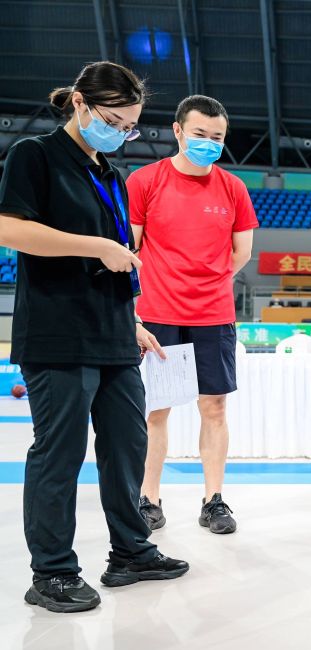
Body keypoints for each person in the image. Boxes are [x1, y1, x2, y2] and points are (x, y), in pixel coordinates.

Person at [0, 61, 188, 613]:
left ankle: (131, 551)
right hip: (57, 333)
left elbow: (119, 257)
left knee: (127, 445)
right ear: (80, 103)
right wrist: (95, 247)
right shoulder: (35, 155)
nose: (120, 133)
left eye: (129, 127)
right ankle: (53, 572)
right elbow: (10, 228)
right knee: (60, 452)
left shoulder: (109, 173)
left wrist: (132, 322)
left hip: (113, 333)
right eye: (112, 121)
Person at [128, 94, 257, 535]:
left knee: (214, 408)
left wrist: (206, 281)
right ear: (178, 131)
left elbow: (242, 252)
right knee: (157, 409)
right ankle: (148, 498)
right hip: (158, 312)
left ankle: (213, 500)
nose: (209, 143)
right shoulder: (145, 181)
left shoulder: (233, 188)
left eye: (217, 137)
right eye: (200, 133)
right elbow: (131, 248)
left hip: (213, 313)